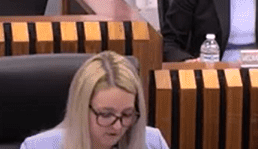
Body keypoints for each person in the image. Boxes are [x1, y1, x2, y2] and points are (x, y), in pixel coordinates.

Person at [21, 51, 168, 149]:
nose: (117, 127)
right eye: (106, 114)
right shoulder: (37, 147)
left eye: (127, 114)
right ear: (82, 108)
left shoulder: (153, 143)